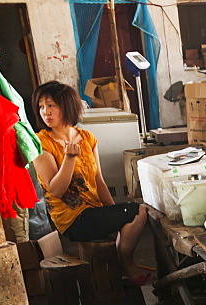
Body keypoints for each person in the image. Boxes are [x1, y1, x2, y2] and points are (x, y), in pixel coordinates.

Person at [32, 80, 151, 285]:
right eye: (41, 106)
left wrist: (114, 214)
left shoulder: (87, 137)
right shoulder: (41, 142)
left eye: (51, 105)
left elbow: (99, 181)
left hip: (93, 210)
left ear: (67, 106)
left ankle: (119, 262)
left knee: (135, 212)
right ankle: (125, 264)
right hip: (72, 219)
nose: (45, 112)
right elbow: (56, 190)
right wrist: (69, 158)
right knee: (138, 211)